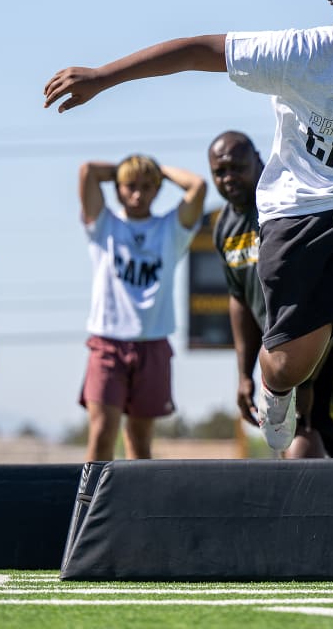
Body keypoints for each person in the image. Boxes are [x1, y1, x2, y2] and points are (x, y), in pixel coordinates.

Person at [45, 0, 333, 506]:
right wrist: (103, 77)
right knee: (295, 357)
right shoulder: (301, 53)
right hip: (299, 203)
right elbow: (200, 49)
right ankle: (276, 388)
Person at [207, 130, 333, 459]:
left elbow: (313, 284)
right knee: (298, 426)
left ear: (260, 160)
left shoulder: (283, 203)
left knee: (310, 427)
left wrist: (301, 376)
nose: (228, 177)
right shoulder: (224, 227)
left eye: (237, 167)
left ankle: (313, 505)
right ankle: (306, 503)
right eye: (219, 172)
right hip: (296, 329)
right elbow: (239, 299)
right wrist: (244, 375)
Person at [78, 154, 206, 461]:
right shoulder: (105, 224)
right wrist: (126, 168)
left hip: (153, 343)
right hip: (108, 342)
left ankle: (136, 508)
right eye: (130, 186)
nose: (138, 193)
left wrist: (157, 169)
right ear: (118, 188)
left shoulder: (169, 229)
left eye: (147, 186)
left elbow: (198, 186)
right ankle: (89, 506)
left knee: (139, 439)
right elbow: (88, 172)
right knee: (101, 432)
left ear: (158, 188)